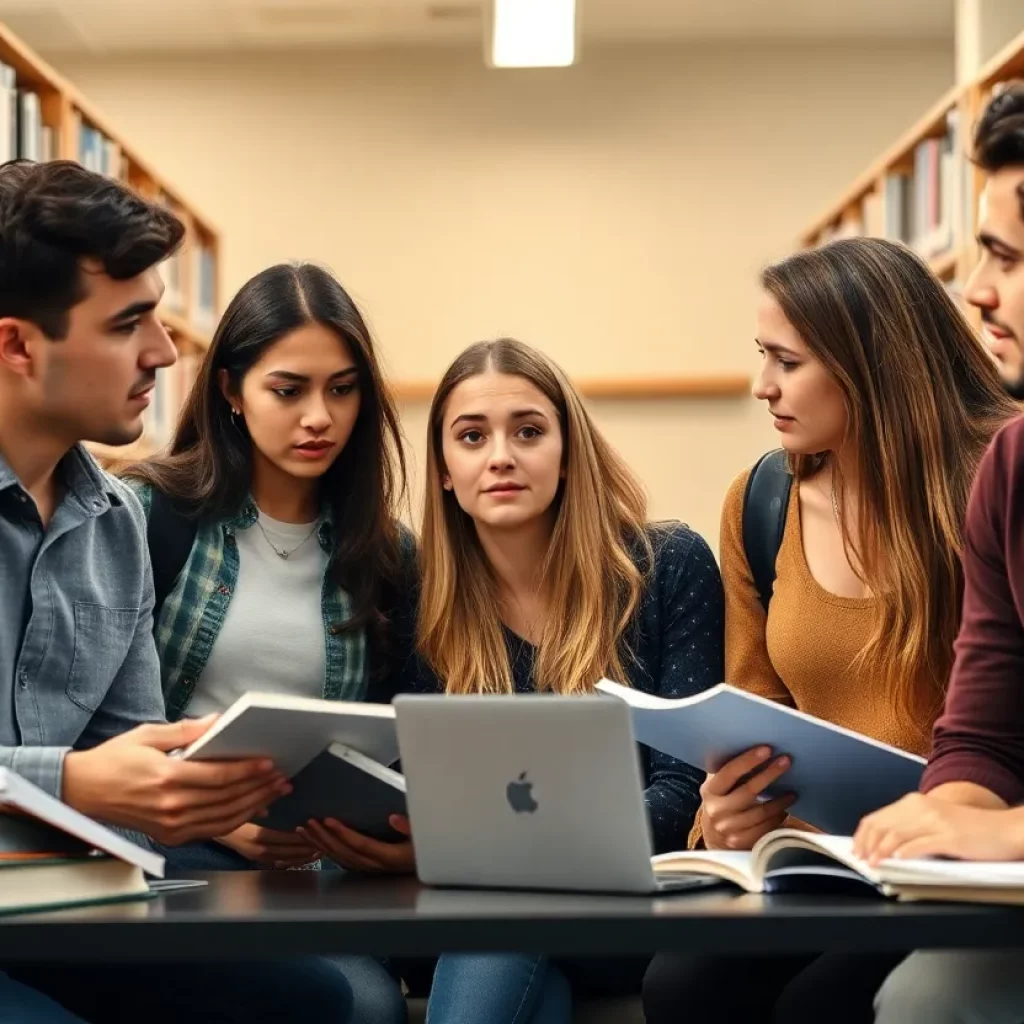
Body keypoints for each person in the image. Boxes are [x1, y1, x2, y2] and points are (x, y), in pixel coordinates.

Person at [0, 159, 355, 1021]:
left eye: (158, 315)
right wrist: (73, 785)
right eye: (129, 324)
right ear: (16, 344)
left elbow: (136, 759)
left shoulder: (116, 520)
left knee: (315, 1002)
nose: (163, 351)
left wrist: (199, 790)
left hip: (60, 902)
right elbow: (94, 779)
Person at [641, 236, 1018, 1024]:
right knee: (680, 988)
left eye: (786, 361)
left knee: (819, 1007)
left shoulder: (997, 476)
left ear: (866, 363)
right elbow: (751, 717)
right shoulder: (762, 500)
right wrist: (726, 815)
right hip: (819, 860)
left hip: (953, 858)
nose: (759, 386)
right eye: (760, 356)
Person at [304, 336, 726, 1022]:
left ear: (567, 453)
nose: (500, 455)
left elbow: (683, 797)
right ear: (443, 468)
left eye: (528, 431)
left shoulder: (666, 565)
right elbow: (399, 783)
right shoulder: (411, 592)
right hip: (464, 916)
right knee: (515, 966)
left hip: (622, 913)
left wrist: (475, 852)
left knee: (499, 934)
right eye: (471, 436)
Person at [853, 81, 1024, 1024]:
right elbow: (984, 735)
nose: (978, 290)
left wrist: (1002, 831)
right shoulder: (1010, 468)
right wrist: (943, 819)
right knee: (922, 998)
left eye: (1003, 255)